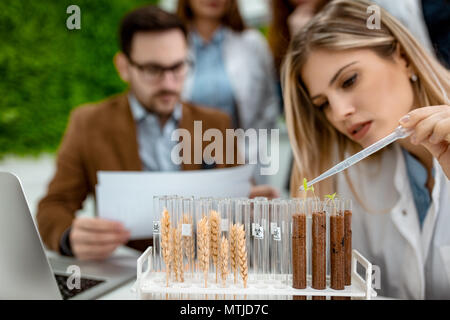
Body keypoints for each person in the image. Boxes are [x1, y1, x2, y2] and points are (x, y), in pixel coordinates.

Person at [36, 5, 278, 261]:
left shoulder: (214, 123)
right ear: (124, 67)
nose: (168, 83)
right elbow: (53, 206)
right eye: (153, 70)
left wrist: (251, 208)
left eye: (178, 67)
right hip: (129, 275)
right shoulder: (90, 123)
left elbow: (241, 201)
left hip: (202, 272)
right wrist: (69, 237)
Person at [283, 0, 450, 299]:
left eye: (349, 80)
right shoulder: (352, 176)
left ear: (403, 57)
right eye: (323, 104)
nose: (339, 112)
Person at [176, 0, 280, 184]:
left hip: (242, 159)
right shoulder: (174, 44)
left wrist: (247, 153)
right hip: (185, 163)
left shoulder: (252, 43)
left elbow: (269, 105)